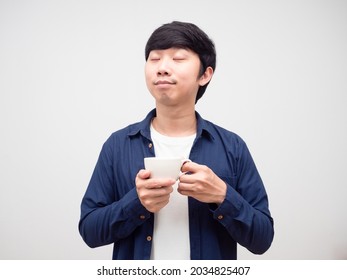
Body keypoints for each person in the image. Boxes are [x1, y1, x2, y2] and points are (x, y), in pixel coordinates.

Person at [78, 21, 274, 260]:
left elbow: (262, 238)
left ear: (205, 74)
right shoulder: (118, 145)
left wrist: (223, 196)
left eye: (178, 59)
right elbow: (89, 230)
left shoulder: (232, 147)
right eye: (154, 58)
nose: (162, 68)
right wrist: (135, 203)